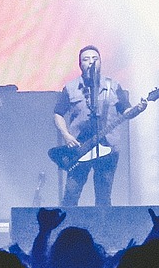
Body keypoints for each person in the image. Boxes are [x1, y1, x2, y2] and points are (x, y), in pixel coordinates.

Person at [54, 45, 136, 207]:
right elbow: (58, 113)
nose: (91, 62)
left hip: (107, 148)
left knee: (104, 196)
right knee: (71, 194)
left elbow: (127, 110)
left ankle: (103, 230)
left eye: (95, 58)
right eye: (86, 59)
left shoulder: (113, 87)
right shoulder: (71, 88)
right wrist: (66, 135)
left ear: (100, 62)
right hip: (79, 148)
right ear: (80, 65)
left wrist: (138, 108)